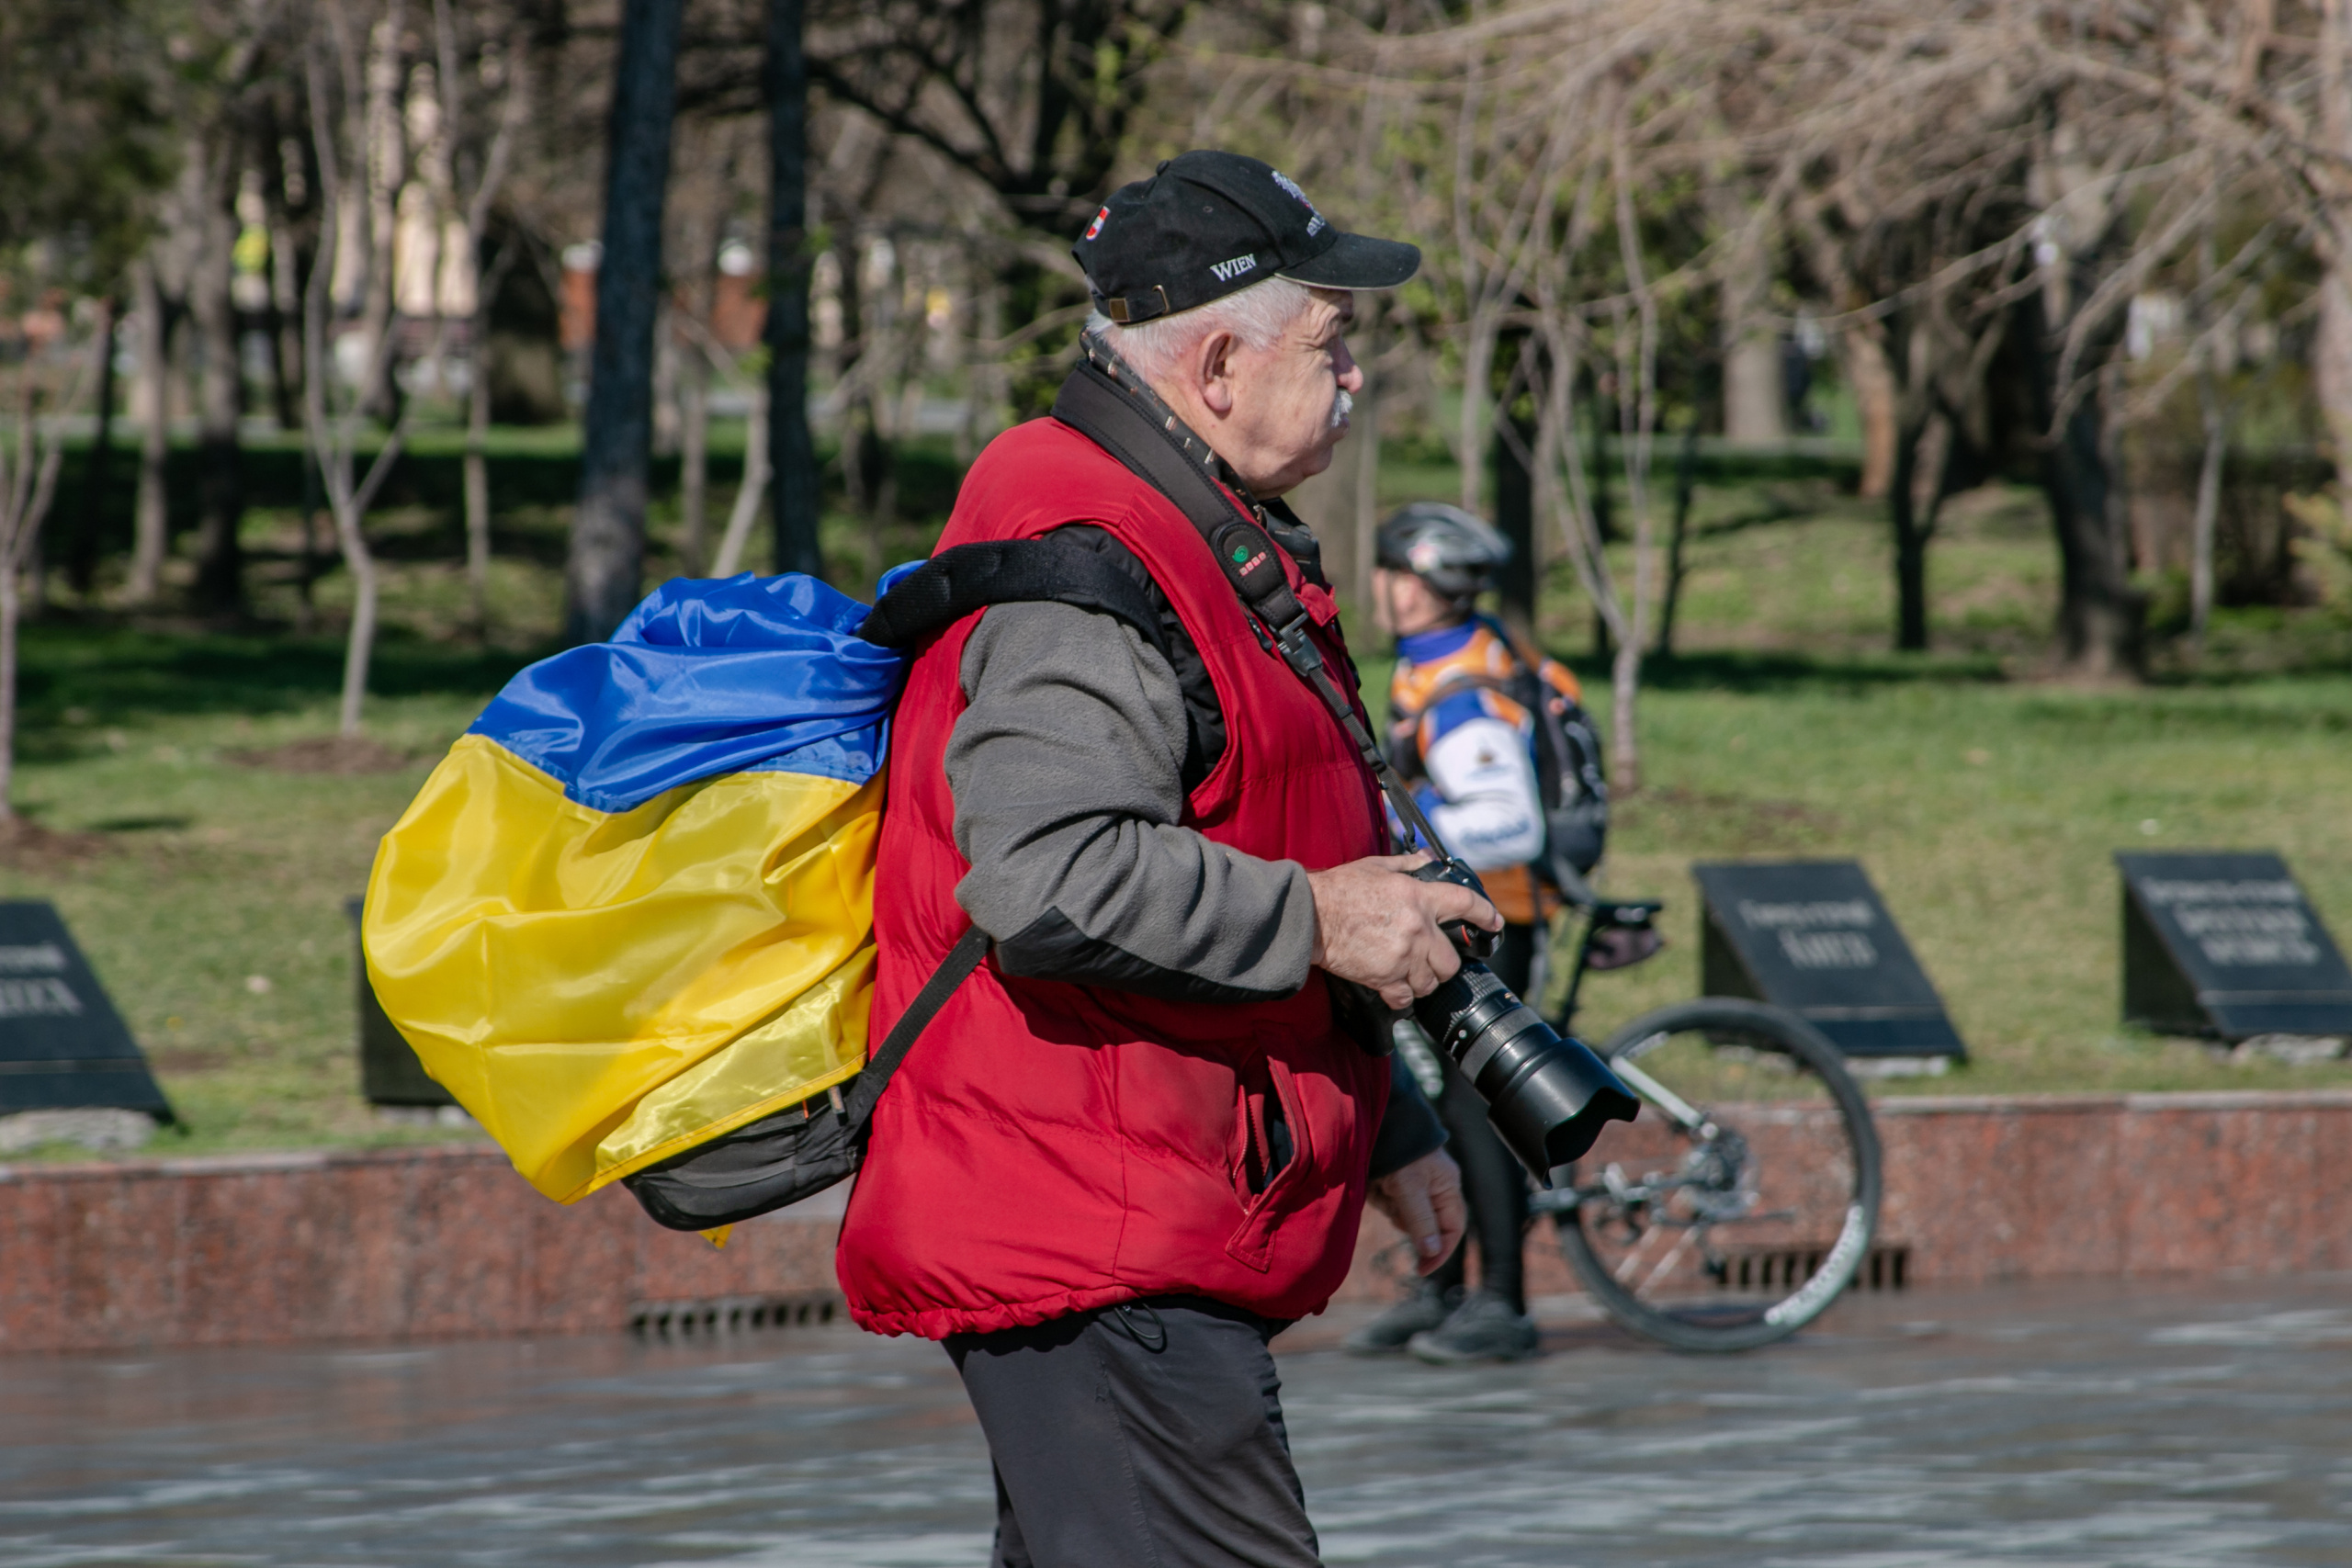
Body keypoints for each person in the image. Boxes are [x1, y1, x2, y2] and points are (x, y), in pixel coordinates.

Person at [835, 151, 1494, 1567]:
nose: (1356, 378)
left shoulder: (1193, 524)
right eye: (1333, 342)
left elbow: (1242, 822)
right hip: (1089, 1224)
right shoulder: (1089, 553)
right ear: (1214, 364)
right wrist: (1320, 921)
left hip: (1127, 1197)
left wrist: (1386, 1123)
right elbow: (1047, 873)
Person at [1343, 502, 1591, 1364]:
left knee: (1476, 1109)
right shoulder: (1445, 659)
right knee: (1448, 1102)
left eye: (1394, 574)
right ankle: (1445, 1287)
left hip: (1496, 916)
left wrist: (1404, 834)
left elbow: (1508, 823)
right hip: (1470, 911)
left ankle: (1503, 1304)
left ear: (1410, 586)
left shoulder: (1464, 686)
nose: (1387, 590)